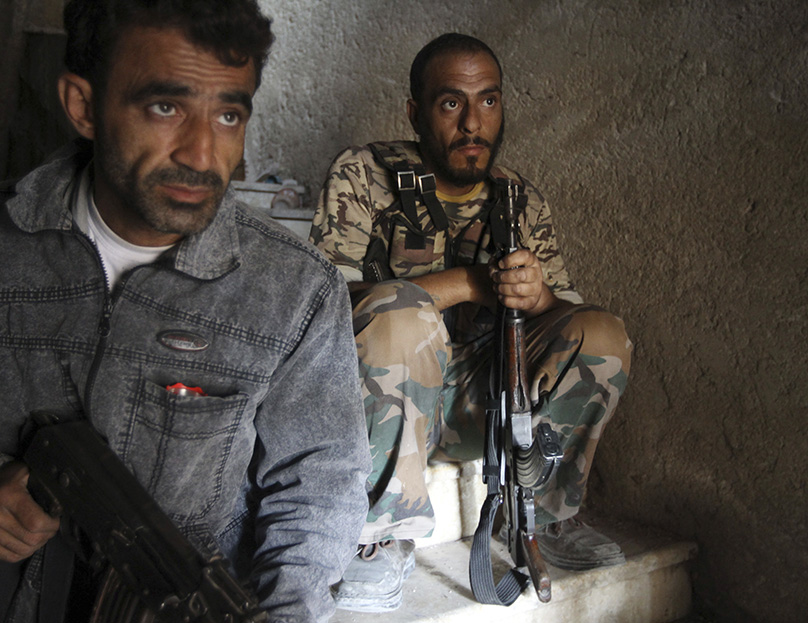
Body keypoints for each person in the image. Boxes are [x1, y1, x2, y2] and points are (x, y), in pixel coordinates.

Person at [0, 1, 370, 621]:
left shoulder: (293, 291)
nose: (203, 154)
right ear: (83, 106)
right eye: (165, 107)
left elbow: (318, 488)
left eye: (228, 114)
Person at [310, 33, 633, 612]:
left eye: (488, 100)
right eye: (451, 102)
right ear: (415, 111)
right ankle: (378, 534)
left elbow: (567, 314)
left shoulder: (518, 199)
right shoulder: (364, 175)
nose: (472, 123)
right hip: (380, 408)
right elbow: (322, 304)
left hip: (483, 408)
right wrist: (468, 284)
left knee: (602, 331)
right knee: (400, 314)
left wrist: (537, 299)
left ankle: (540, 512)